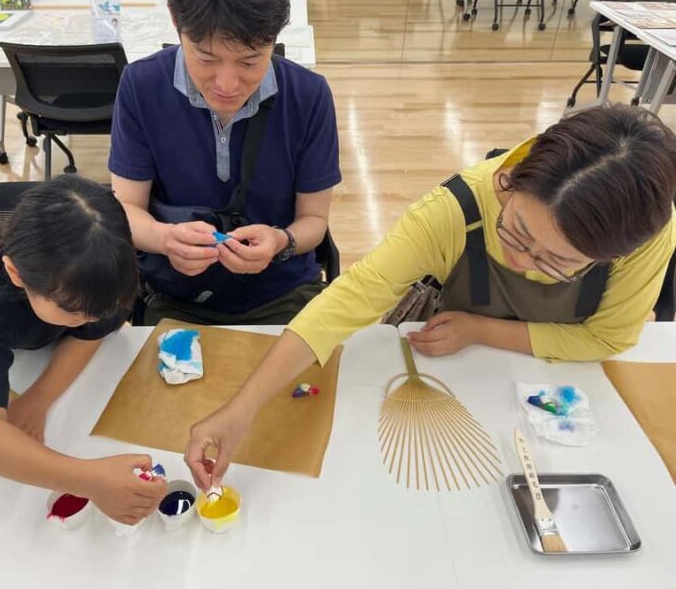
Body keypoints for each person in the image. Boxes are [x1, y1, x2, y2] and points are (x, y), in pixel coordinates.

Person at [183, 105, 676, 490]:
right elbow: (350, 298)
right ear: (511, 182)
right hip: (455, 380)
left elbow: (608, 337)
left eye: (556, 262)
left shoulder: (647, 237)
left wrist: (483, 329)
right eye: (517, 232)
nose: (524, 262)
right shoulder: (457, 209)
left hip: (560, 405)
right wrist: (240, 410)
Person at [0, 176, 166, 525]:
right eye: (75, 311)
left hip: (39, 317)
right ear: (15, 273)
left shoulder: (104, 273)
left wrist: (38, 399)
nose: (90, 319)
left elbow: (90, 333)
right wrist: (91, 480)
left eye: (98, 309)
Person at [109, 0, 341, 325]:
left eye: (250, 61)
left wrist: (280, 241)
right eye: (205, 58)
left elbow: (315, 222)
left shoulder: (309, 96)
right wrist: (165, 239)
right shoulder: (141, 86)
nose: (227, 84)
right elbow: (126, 209)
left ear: (274, 38)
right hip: (174, 297)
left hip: (282, 293)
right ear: (176, 22)